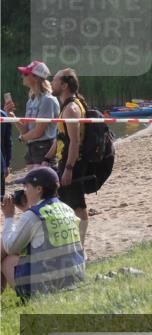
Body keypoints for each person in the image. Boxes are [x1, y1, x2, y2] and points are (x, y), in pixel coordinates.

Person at [1, 166, 85, 298]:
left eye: (26, 187)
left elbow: (10, 246)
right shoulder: (67, 208)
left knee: (7, 259)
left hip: (45, 287)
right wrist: (27, 210)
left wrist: (9, 217)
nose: (24, 191)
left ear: (39, 189)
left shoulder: (32, 216)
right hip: (74, 277)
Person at [47, 68, 94, 246]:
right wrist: (46, 158)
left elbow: (74, 142)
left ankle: (79, 247)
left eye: (55, 80)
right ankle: (75, 245)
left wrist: (69, 168)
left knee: (77, 206)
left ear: (64, 85)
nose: (52, 83)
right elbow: (61, 138)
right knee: (70, 204)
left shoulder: (71, 108)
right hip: (66, 161)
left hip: (72, 163)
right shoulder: (67, 107)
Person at [4, 61, 59, 166]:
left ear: (36, 77)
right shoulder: (31, 100)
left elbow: (38, 132)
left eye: (25, 74)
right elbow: (25, 129)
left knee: (37, 181)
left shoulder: (47, 100)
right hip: (32, 148)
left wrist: (22, 138)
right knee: (30, 181)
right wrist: (12, 116)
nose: (22, 76)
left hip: (45, 148)